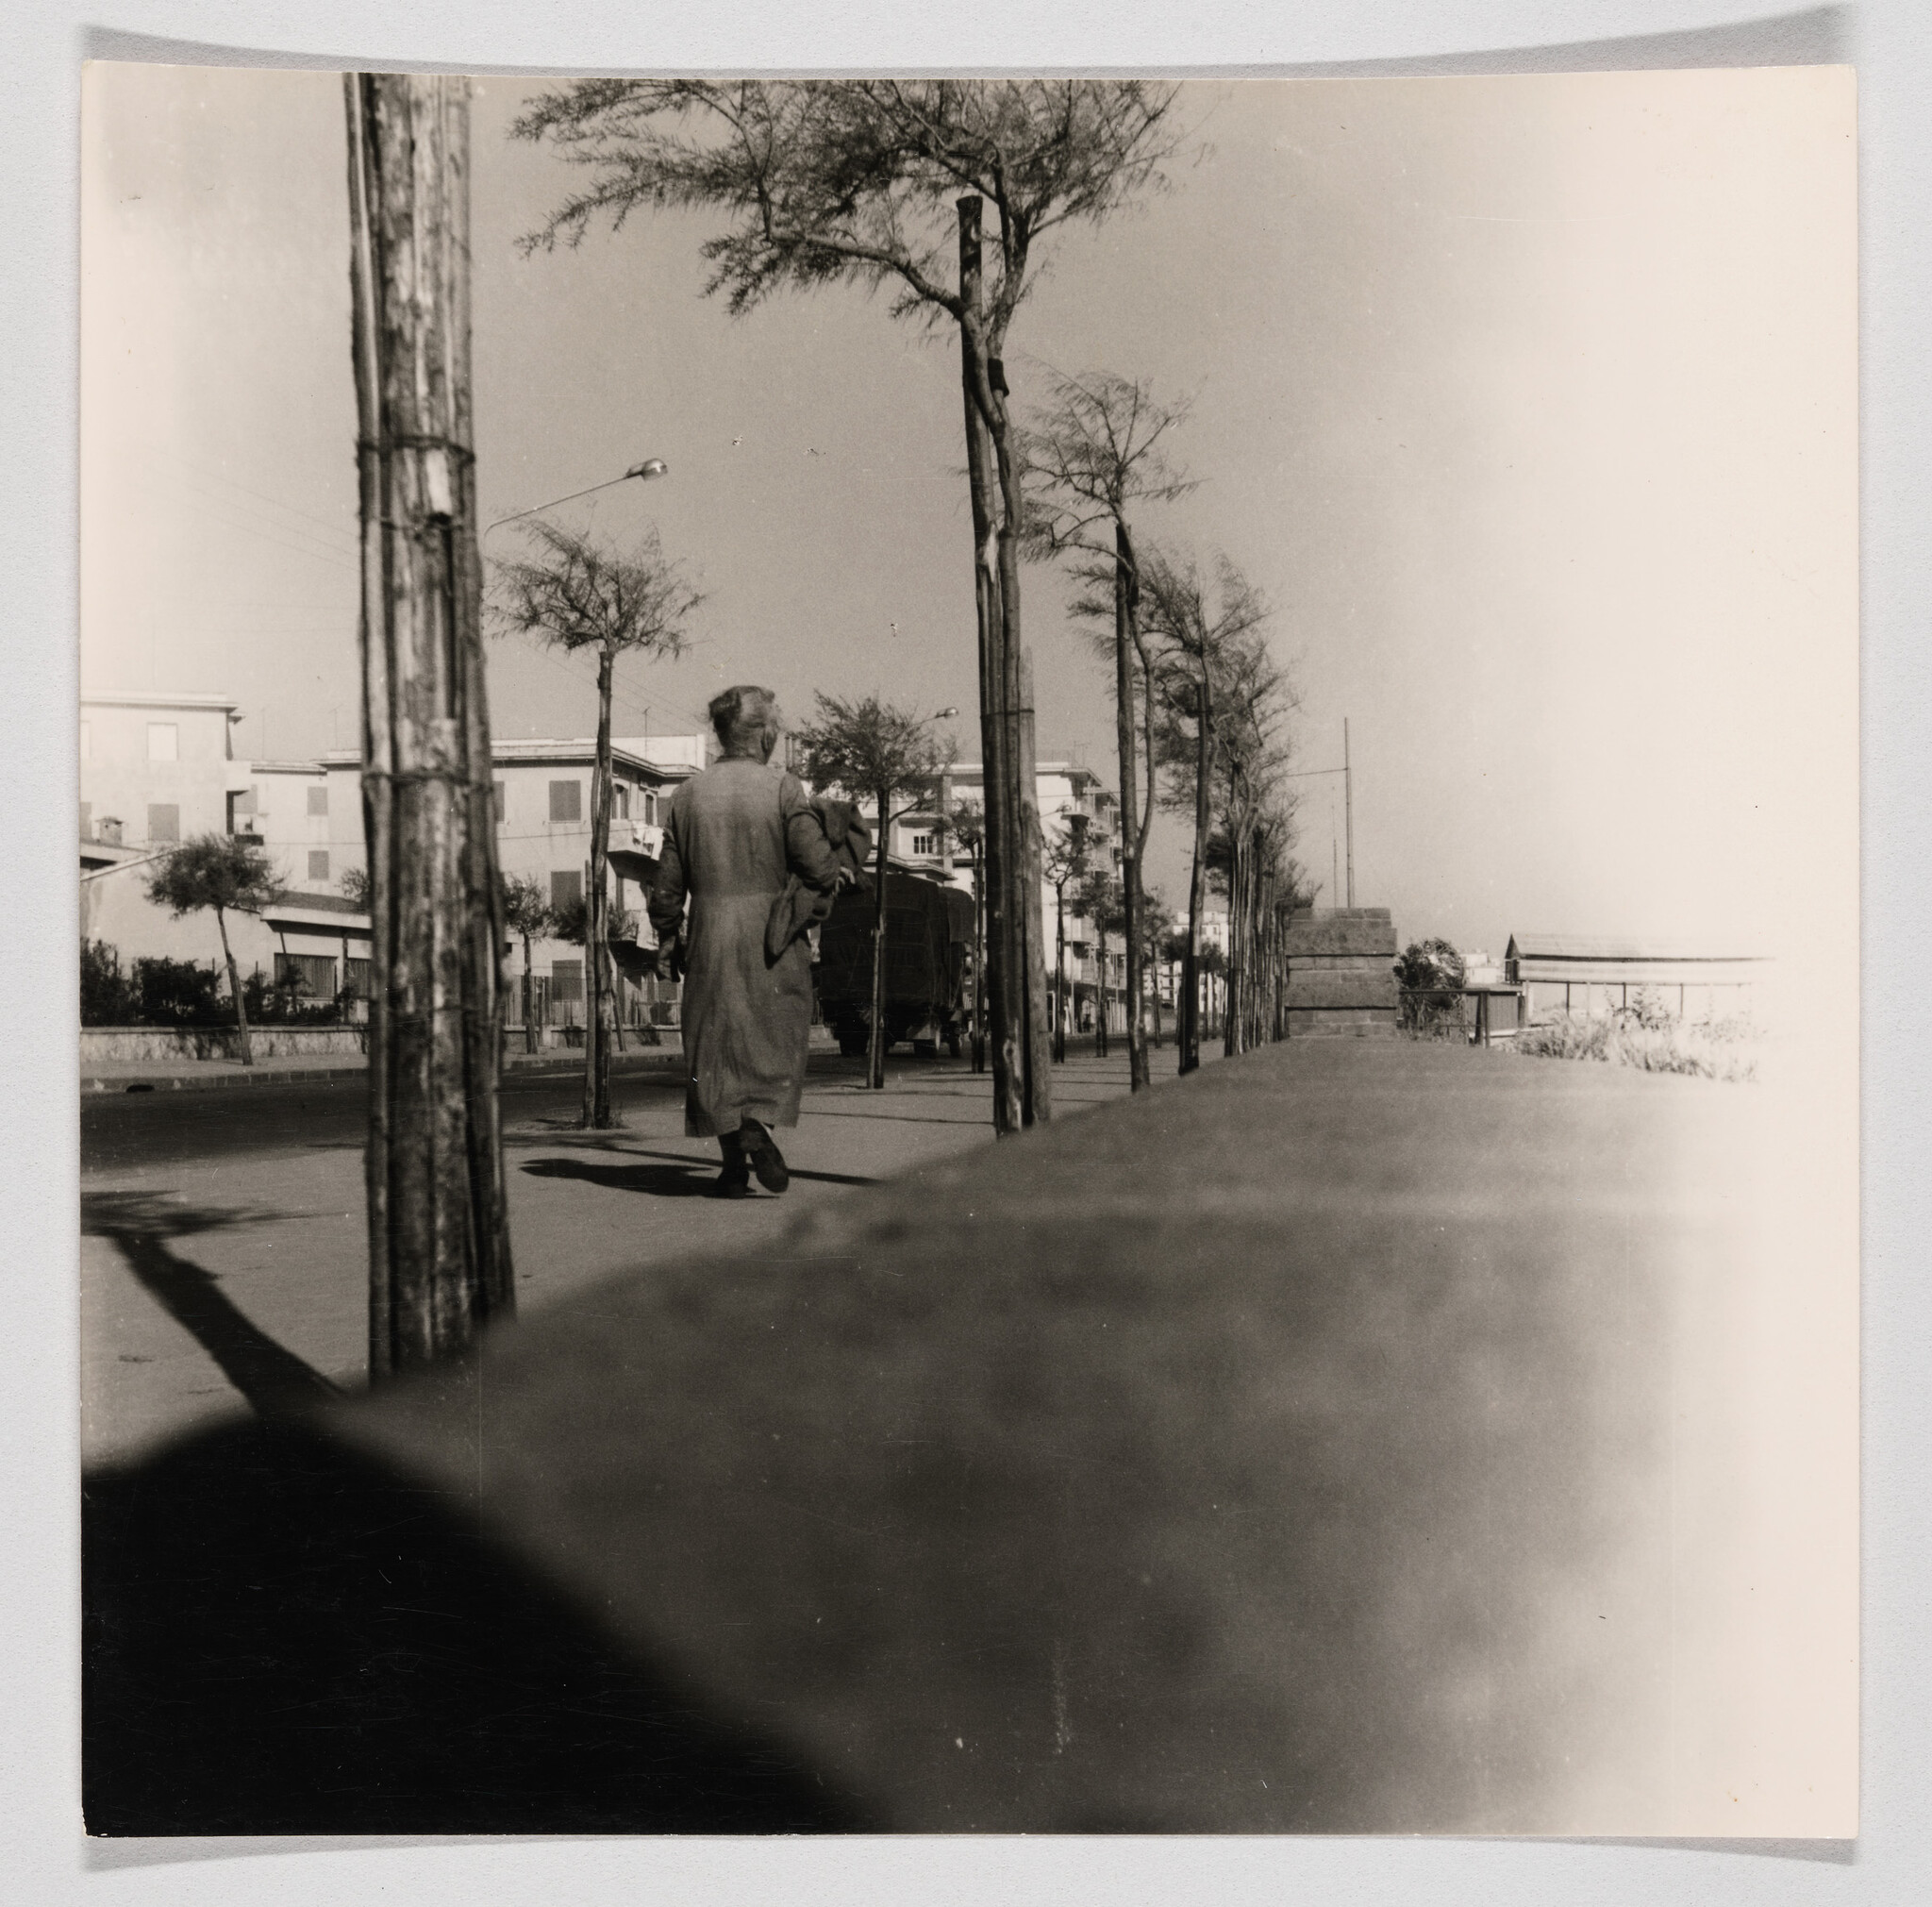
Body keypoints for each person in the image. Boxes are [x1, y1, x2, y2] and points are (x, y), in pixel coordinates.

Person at [648, 685, 843, 1196]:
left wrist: (669, 937)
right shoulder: (783, 788)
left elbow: (667, 887)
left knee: (715, 1050)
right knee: (773, 1042)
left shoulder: (686, 796)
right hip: (772, 942)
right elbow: (819, 865)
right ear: (763, 734)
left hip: (709, 938)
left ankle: (733, 1167)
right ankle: (759, 1126)